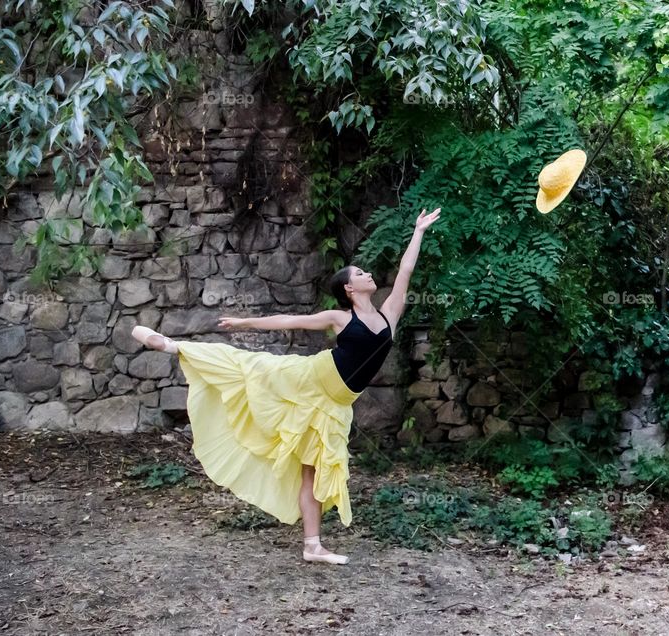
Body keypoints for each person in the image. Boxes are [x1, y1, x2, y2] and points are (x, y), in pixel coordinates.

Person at [131, 207, 441, 564]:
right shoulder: (340, 317)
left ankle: (313, 546)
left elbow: (406, 270)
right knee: (253, 368)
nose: (368, 274)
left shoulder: (390, 315)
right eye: (360, 273)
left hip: (335, 405)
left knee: (315, 469)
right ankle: (175, 347)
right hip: (310, 380)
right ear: (349, 288)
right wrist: (245, 322)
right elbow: (290, 320)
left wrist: (418, 231)